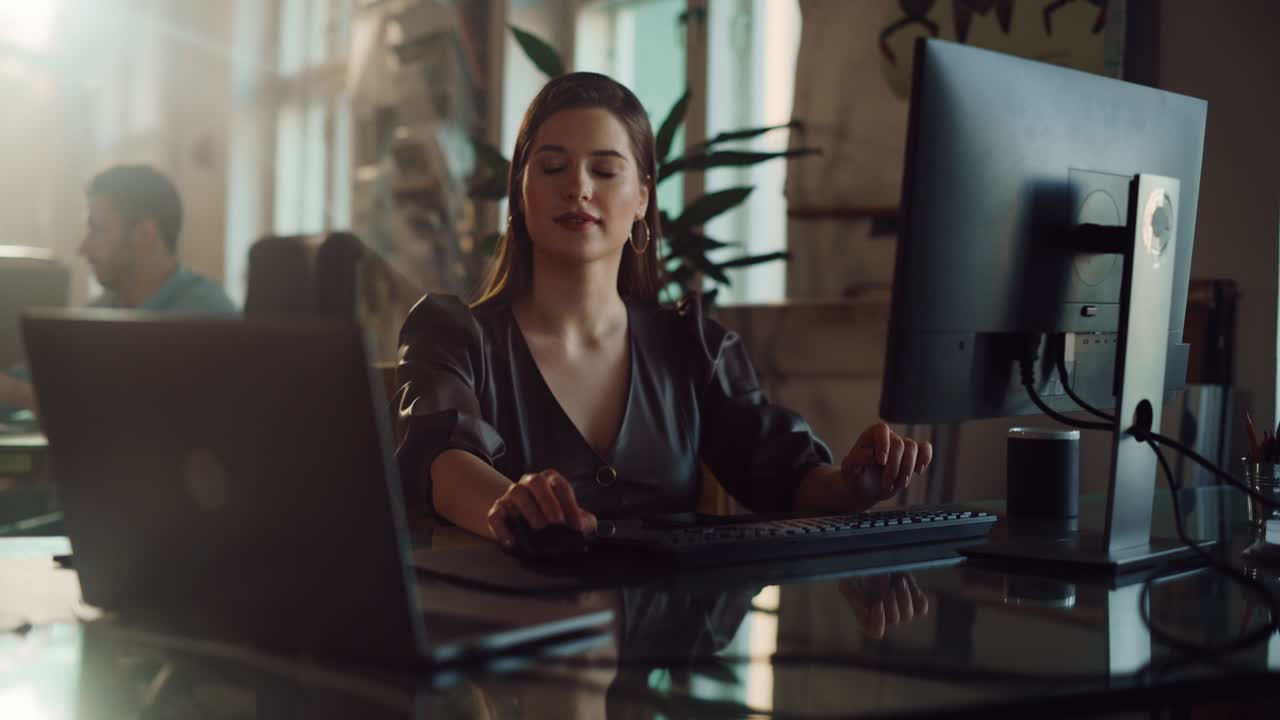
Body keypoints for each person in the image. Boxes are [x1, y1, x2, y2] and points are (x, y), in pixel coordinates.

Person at [395, 72, 932, 545]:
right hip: (516, 641)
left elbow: (783, 476)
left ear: (642, 199)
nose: (578, 187)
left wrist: (850, 485)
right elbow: (445, 461)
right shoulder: (452, 334)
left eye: (605, 171)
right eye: (553, 167)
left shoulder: (692, 345)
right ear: (520, 195)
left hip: (664, 649)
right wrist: (506, 505)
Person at [0, 164, 237, 415]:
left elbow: (134, 413)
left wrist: (19, 393)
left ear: (145, 234)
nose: (84, 248)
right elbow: (34, 374)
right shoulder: (99, 313)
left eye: (97, 230)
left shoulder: (209, 320)